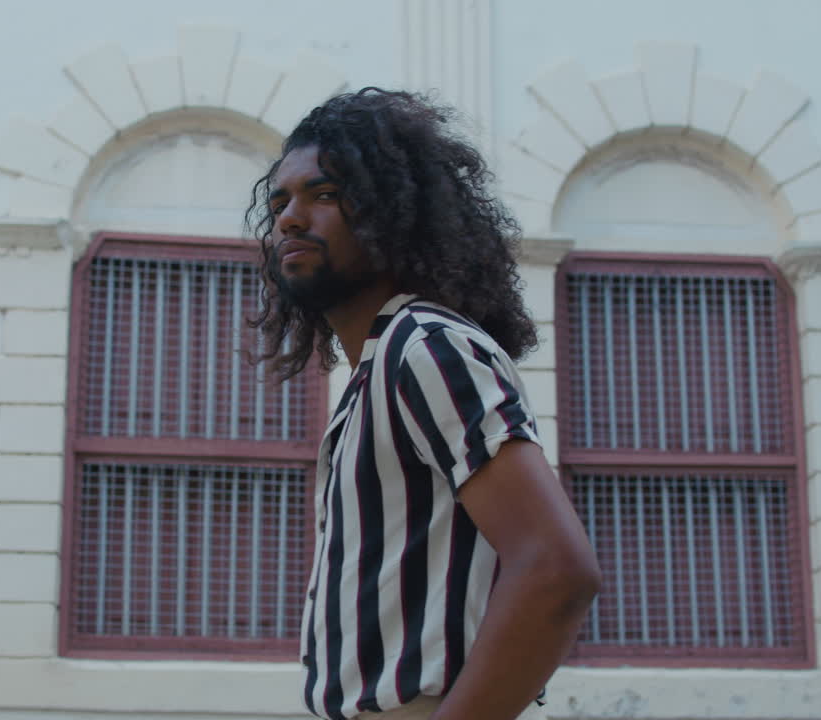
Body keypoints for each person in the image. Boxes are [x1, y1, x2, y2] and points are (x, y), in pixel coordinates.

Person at [246, 88, 601, 720]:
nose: (290, 220)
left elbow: (556, 569)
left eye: (324, 194)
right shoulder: (382, 365)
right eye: (280, 203)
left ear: (393, 212)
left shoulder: (425, 346)